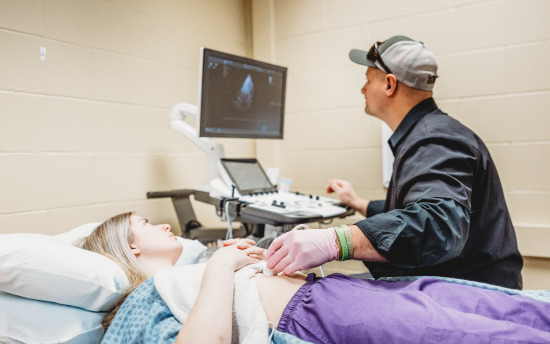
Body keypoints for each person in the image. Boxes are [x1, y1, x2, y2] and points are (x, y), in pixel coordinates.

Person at [265, 35, 523, 290]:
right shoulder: (428, 132)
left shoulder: (435, 138)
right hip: (456, 284)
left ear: (389, 84)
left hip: (471, 298)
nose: (363, 89)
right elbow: (417, 206)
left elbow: (437, 225)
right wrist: (357, 203)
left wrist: (337, 241)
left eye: (367, 80)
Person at [80, 212, 550, 344]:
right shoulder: (143, 301)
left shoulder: (192, 269)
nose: (164, 224)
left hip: (339, 292)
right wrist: (222, 267)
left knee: (500, 308)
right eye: (146, 224)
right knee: (483, 335)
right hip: (316, 313)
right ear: (130, 248)